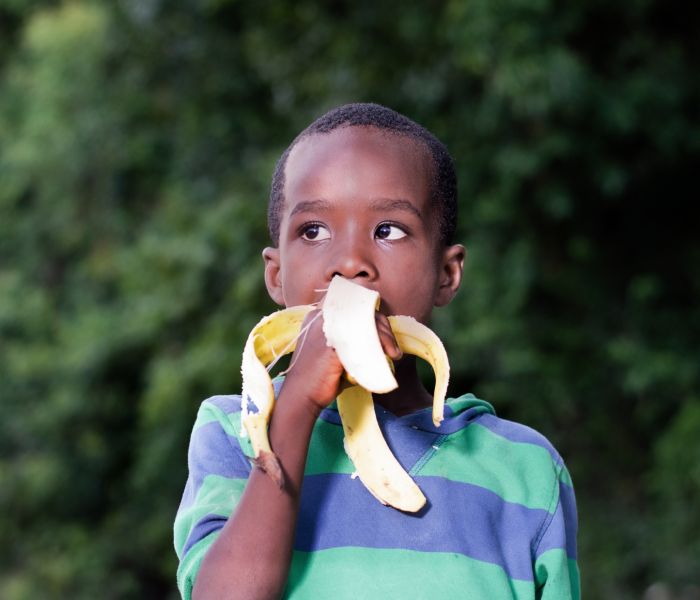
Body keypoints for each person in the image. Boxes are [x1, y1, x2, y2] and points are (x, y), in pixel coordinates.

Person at [174, 103, 580, 599]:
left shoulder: (524, 470)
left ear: (446, 274)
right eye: (313, 231)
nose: (350, 262)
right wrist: (296, 406)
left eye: (388, 230)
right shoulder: (233, 434)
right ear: (276, 275)